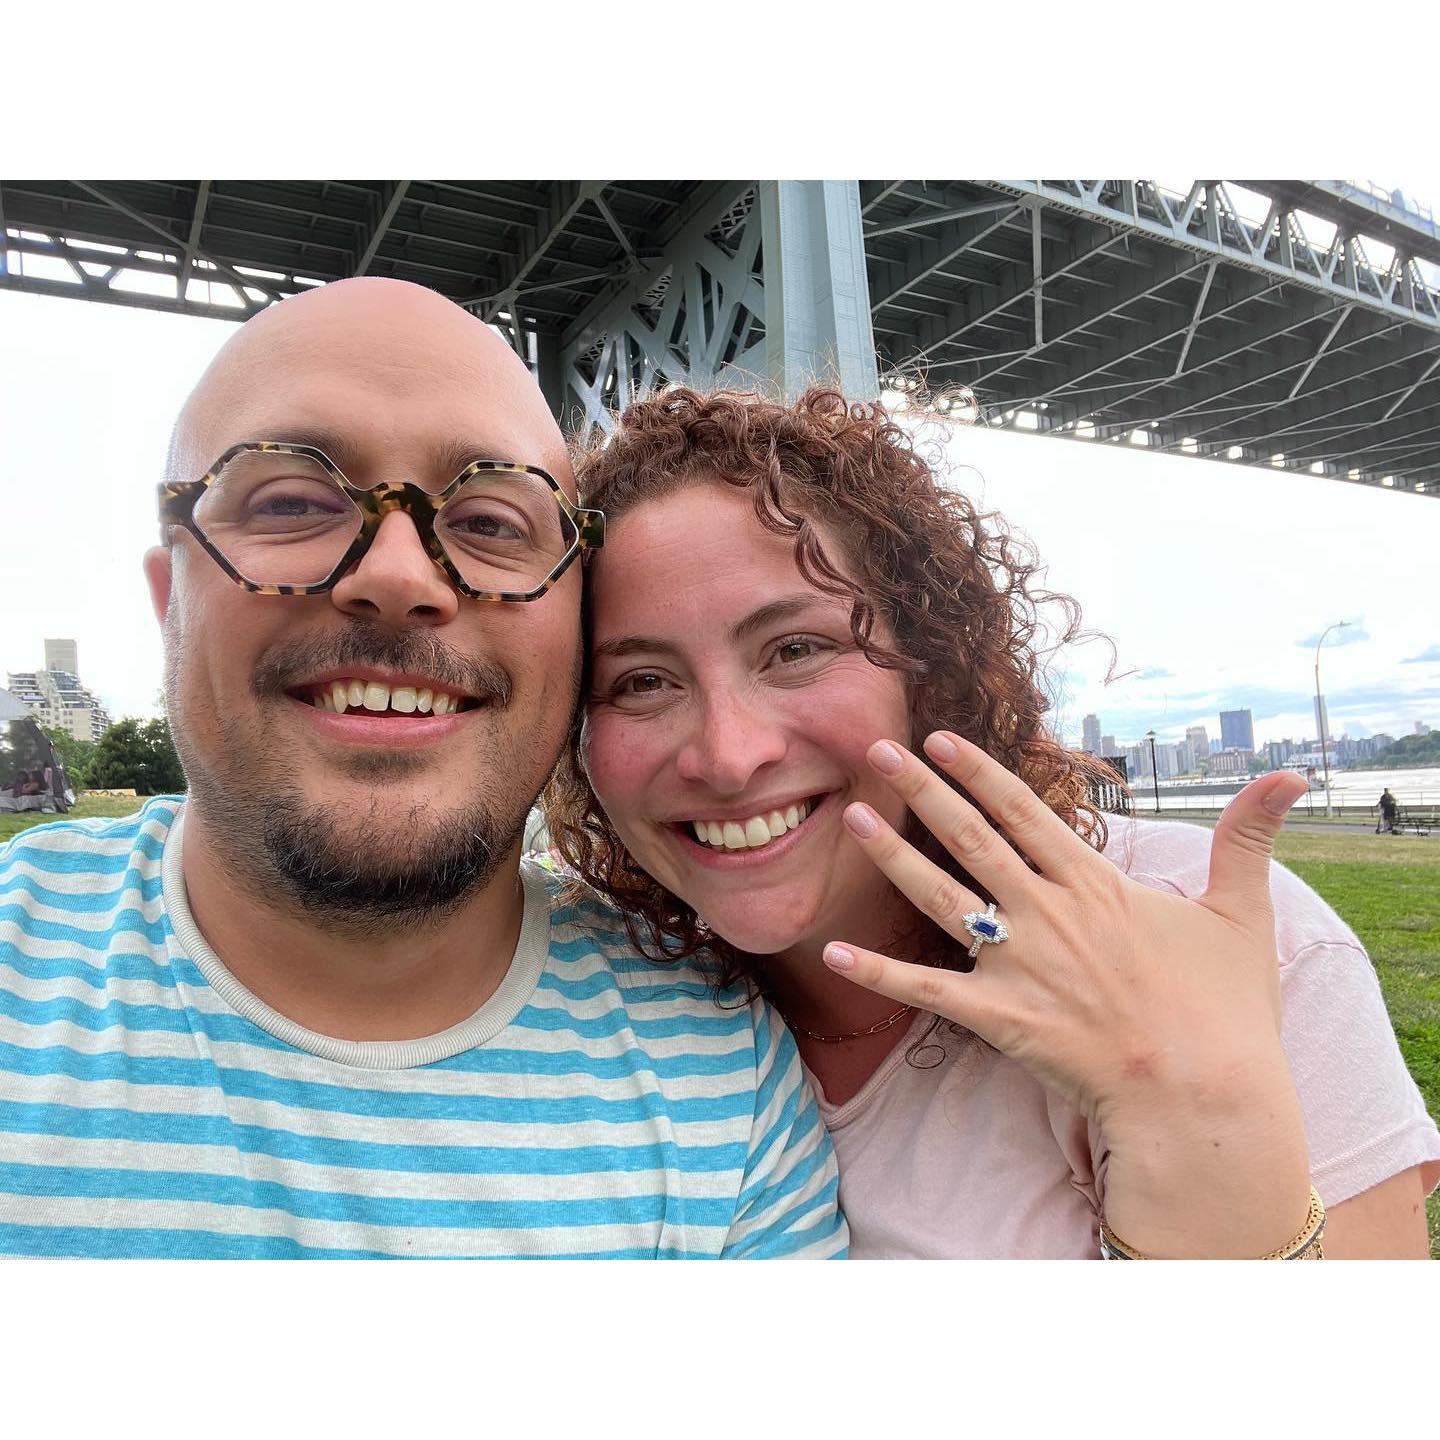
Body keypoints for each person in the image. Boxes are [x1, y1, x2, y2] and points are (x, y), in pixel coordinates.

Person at [0, 282, 845, 1259]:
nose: (400, 577)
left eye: (490, 523)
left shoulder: (729, 1086)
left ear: (575, 630)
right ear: (169, 599)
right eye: (291, 500)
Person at [543, 385, 1440, 1258]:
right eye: (641, 683)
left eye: (796, 648)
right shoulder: (595, 1011)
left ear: (926, 670)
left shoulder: (1197, 923)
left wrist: (1206, 1136)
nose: (728, 755)